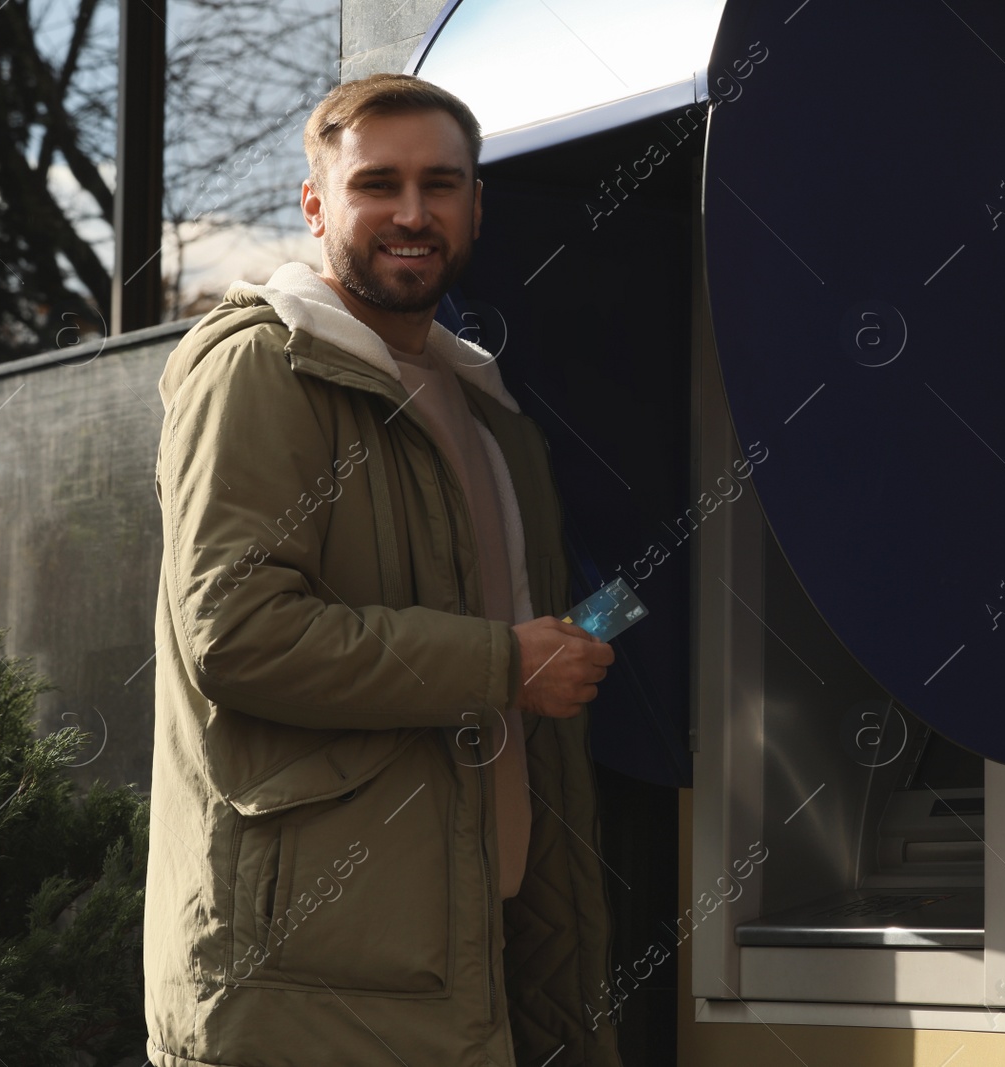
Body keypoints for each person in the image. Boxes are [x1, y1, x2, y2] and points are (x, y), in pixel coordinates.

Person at [143, 73, 623, 1067]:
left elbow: (537, 640)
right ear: (316, 204)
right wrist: (500, 663)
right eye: (378, 184)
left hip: (473, 954)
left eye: (441, 184)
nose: (412, 212)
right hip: (307, 989)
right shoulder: (263, 369)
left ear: (475, 206)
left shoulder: (484, 409)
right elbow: (234, 630)